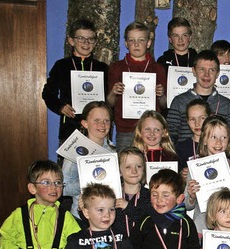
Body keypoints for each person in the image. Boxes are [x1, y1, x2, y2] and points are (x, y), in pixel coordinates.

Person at [42, 19, 109, 154]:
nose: (86, 43)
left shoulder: (102, 68)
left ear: (95, 42)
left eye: (90, 39)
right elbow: (48, 93)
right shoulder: (61, 66)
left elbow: (109, 99)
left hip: (98, 130)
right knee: (68, 173)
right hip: (70, 129)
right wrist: (60, 107)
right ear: (71, 41)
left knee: (97, 170)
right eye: (81, 38)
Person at [184, 115, 230, 235]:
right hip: (202, 229)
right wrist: (191, 196)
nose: (218, 142)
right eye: (213, 137)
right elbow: (187, 206)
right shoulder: (195, 169)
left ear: (229, 141)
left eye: (223, 137)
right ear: (204, 139)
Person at [107, 22, 167, 152]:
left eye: (141, 40)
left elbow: (164, 104)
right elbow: (109, 103)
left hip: (152, 131)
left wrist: (161, 95)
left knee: (151, 166)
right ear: (126, 43)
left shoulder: (158, 69)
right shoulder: (116, 68)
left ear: (149, 43)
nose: (136, 44)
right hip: (125, 129)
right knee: (126, 167)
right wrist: (113, 92)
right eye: (131, 40)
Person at [62, 101, 116, 219]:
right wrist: (87, 182)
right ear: (85, 123)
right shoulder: (74, 152)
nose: (102, 124)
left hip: (107, 217)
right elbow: (62, 188)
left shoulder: (113, 151)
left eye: (106, 121)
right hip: (81, 217)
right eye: (96, 120)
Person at [166, 50, 230, 144]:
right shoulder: (179, 101)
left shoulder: (225, 103)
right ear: (194, 71)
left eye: (212, 70)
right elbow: (170, 134)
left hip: (215, 155)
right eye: (202, 69)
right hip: (186, 155)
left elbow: (229, 135)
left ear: (218, 73)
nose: (206, 74)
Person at [114, 147, 151, 238]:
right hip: (119, 248)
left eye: (138, 166)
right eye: (128, 167)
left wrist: (128, 207)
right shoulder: (112, 196)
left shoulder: (150, 196)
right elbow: (98, 222)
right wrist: (84, 209)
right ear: (119, 171)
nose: (134, 171)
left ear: (144, 169)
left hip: (142, 248)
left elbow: (148, 223)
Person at [175, 98, 211, 166]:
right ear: (187, 121)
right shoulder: (181, 148)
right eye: (192, 119)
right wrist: (182, 174)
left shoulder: (217, 144)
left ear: (210, 118)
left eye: (202, 118)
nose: (197, 124)